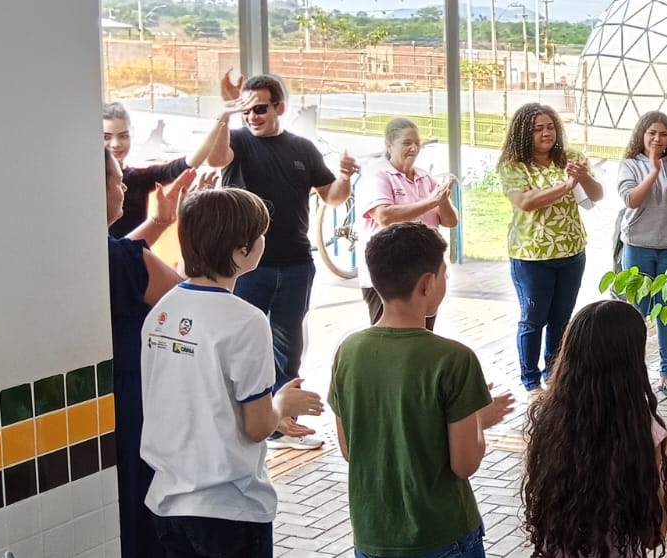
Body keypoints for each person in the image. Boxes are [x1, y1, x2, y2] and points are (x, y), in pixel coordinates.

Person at [139, 188, 326, 558]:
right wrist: (281, 404)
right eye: (261, 235)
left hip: (166, 500)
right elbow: (257, 427)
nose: (264, 241)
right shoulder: (245, 321)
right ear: (242, 250)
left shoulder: (163, 310)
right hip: (229, 508)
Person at [329, 222, 516, 558]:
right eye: (445, 275)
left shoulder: (348, 350)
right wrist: (477, 420)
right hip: (441, 533)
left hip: (372, 535)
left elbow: (349, 448)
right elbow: (465, 464)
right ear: (428, 283)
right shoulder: (454, 359)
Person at [207, 73, 356, 450]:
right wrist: (227, 113)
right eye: (246, 110)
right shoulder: (237, 141)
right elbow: (214, 158)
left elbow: (333, 196)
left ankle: (282, 426)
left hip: (295, 264)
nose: (252, 116)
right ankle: (243, 422)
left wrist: (344, 177)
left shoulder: (302, 148)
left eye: (259, 108)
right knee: (243, 344)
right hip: (245, 268)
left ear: (280, 107)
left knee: (288, 347)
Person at [522, 300, 667, 557]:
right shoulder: (640, 430)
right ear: (631, 361)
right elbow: (654, 533)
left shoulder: (550, 419)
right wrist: (666, 462)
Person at [105, 147, 194, 558]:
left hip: (96, 398)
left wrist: (159, 221)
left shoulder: (84, 256)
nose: (124, 188)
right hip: (134, 400)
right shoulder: (121, 260)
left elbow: (121, 255)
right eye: (117, 180)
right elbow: (193, 301)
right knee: (139, 499)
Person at [498, 103, 602, 393]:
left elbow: (596, 195)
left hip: (571, 251)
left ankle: (554, 378)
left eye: (550, 126)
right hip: (532, 255)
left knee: (561, 320)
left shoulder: (572, 158)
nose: (546, 133)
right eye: (537, 129)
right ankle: (531, 382)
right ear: (523, 133)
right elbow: (525, 202)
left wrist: (583, 178)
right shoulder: (513, 165)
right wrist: (566, 186)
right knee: (533, 320)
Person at [617, 111, 667, 399]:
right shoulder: (630, 165)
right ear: (641, 135)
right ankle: (634, 375)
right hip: (638, 246)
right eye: (652, 133)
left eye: (663, 134)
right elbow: (631, 199)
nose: (657, 139)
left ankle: (666, 374)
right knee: (636, 314)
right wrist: (653, 171)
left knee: (666, 311)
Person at [355, 118, 458, 328]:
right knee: (390, 339)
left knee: (423, 336)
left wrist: (443, 199)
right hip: (388, 276)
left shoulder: (425, 177)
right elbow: (384, 216)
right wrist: (430, 202)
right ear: (389, 145)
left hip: (425, 274)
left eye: (417, 143)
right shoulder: (378, 175)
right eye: (407, 143)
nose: (414, 148)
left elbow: (450, 221)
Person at [103, 100, 230, 238]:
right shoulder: (91, 181)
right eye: (106, 137)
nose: (115, 144)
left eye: (123, 136)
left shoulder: (140, 178)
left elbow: (187, 164)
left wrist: (221, 121)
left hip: (135, 251)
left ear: (132, 133)